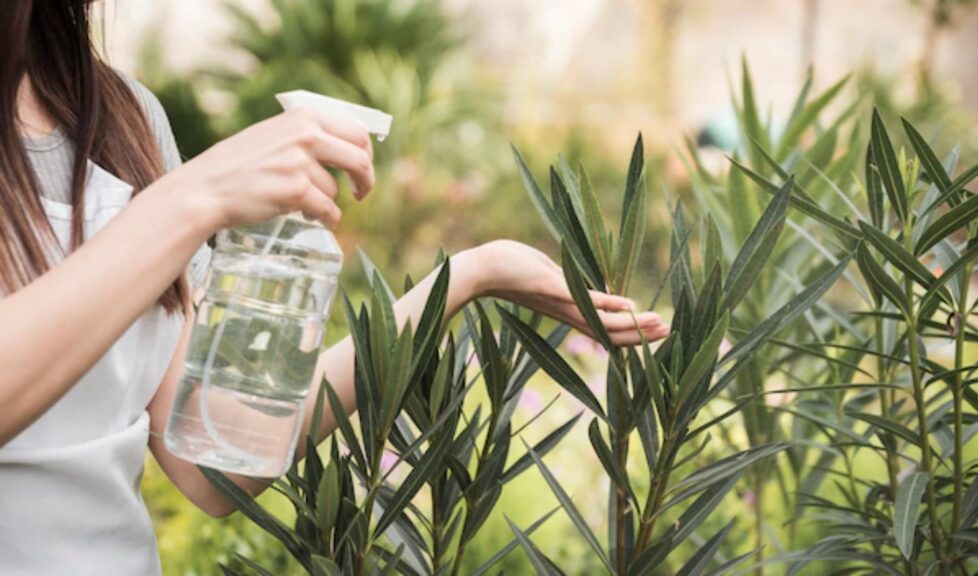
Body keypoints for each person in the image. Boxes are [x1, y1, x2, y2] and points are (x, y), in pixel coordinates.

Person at [0, 1, 671, 574]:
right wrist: (189, 201)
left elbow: (216, 462)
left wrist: (468, 275)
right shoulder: (173, 194)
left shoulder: (118, 117)